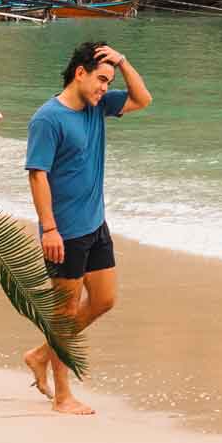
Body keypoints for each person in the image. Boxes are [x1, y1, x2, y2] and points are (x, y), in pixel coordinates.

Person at [21, 39, 149, 416]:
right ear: (80, 74)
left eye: (108, 82)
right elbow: (37, 176)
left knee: (105, 299)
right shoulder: (47, 119)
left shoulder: (98, 107)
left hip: (95, 223)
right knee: (64, 312)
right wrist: (49, 229)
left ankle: (41, 354)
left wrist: (122, 62)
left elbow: (143, 99)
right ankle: (63, 396)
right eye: (101, 80)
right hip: (65, 232)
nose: (105, 89)